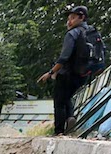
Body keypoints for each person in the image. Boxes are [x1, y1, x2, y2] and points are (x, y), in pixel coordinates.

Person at [37, 6, 90, 135]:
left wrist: (50, 73)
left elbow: (64, 57)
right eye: (68, 19)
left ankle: (59, 131)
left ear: (81, 17)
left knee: (59, 101)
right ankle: (70, 118)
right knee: (67, 97)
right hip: (84, 75)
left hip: (68, 73)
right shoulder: (91, 32)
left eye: (72, 18)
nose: (69, 22)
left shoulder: (72, 33)